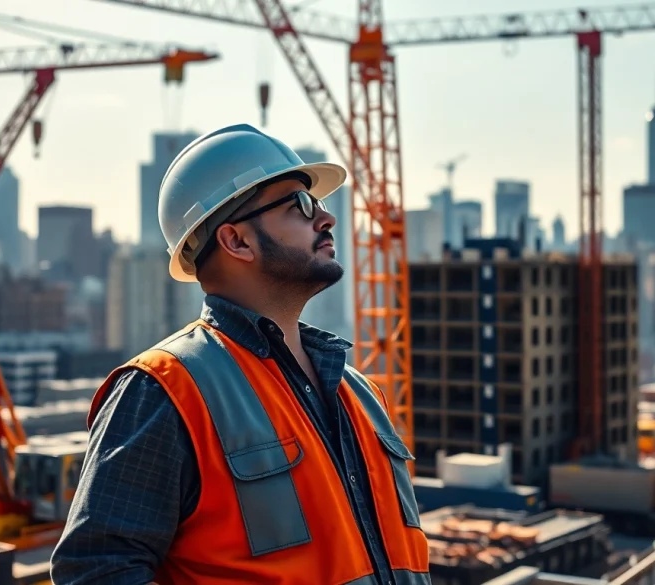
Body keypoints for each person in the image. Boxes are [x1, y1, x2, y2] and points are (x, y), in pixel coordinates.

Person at [50, 124, 430, 585]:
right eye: (301, 205)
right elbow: (95, 571)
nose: (326, 218)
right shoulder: (165, 392)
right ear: (236, 241)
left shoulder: (362, 394)